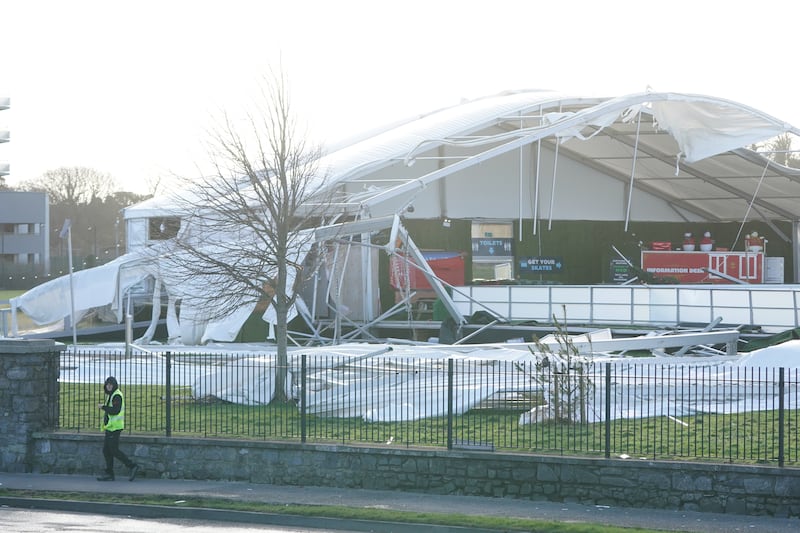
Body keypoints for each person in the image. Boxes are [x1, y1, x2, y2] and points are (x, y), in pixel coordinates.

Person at [97, 376, 139, 481]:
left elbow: (115, 410)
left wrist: (103, 407)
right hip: (110, 427)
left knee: (114, 450)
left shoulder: (117, 396)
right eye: (107, 384)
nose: (109, 386)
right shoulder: (111, 395)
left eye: (111, 384)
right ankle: (109, 473)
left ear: (114, 385)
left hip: (115, 428)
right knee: (107, 451)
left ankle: (132, 466)